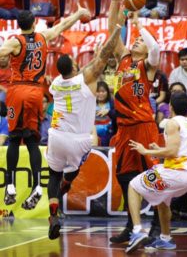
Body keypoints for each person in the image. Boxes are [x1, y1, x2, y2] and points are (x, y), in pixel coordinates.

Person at [0, 5, 91, 210]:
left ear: (17, 24)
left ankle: (11, 185)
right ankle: (36, 187)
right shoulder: (42, 37)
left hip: (18, 91)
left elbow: (2, 53)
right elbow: (63, 25)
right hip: (36, 93)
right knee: (32, 139)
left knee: (14, 137)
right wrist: (78, 13)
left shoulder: (14, 41)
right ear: (34, 23)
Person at [46, 25, 121, 240]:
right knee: (71, 174)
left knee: (54, 174)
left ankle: (53, 212)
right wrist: (116, 29)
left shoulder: (56, 84)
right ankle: (60, 196)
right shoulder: (85, 81)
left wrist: (96, 56)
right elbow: (103, 58)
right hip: (79, 140)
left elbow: (85, 69)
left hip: (56, 136)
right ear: (74, 66)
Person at [105, 0, 161, 244]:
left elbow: (155, 49)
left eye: (139, 40)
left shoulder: (148, 66)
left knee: (155, 178)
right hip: (124, 130)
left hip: (144, 126)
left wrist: (139, 24)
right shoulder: (124, 58)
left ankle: (159, 226)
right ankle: (132, 223)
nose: (135, 41)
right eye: (135, 39)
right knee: (124, 177)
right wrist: (116, 3)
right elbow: (112, 32)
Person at [126, 92, 187, 253]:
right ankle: (166, 238)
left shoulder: (172, 123)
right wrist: (159, 150)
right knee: (162, 199)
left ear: (170, 107)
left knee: (133, 186)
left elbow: (173, 151)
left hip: (176, 174)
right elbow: (180, 151)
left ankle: (137, 230)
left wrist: (145, 151)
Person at [95, 80, 116, 146]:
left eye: (103, 91)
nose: (101, 94)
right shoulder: (91, 103)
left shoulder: (112, 103)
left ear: (107, 92)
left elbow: (118, 115)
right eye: (98, 91)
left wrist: (108, 112)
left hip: (109, 136)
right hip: (94, 136)